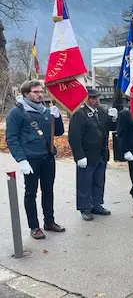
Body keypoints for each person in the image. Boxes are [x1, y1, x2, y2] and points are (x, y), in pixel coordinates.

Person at [5, 80, 66, 239]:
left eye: (41, 92)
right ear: (26, 93)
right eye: (36, 92)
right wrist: (21, 160)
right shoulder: (16, 113)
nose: (40, 95)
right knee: (31, 193)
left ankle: (49, 221)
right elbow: (11, 139)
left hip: (47, 157)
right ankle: (34, 226)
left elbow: (58, 132)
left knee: (48, 190)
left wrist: (57, 117)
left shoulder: (45, 111)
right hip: (31, 159)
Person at [68, 88, 118, 221]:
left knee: (98, 181)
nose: (96, 100)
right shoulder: (79, 114)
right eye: (93, 98)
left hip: (101, 153)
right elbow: (74, 137)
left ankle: (96, 204)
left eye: (97, 97)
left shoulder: (101, 111)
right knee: (85, 183)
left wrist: (114, 119)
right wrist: (79, 156)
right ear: (86, 99)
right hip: (87, 155)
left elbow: (110, 128)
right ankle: (85, 208)